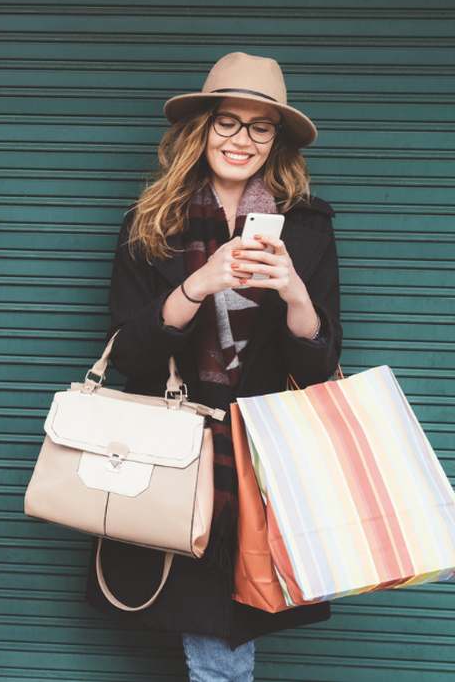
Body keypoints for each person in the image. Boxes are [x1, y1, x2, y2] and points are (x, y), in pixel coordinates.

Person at [88, 52, 340, 681]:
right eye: (228, 121)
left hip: (261, 457)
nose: (242, 140)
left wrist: (294, 293)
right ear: (201, 128)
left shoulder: (306, 228)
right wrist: (197, 285)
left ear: (275, 140)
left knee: (224, 643)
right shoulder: (149, 225)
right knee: (216, 649)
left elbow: (320, 368)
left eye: (260, 127)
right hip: (173, 453)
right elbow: (128, 357)